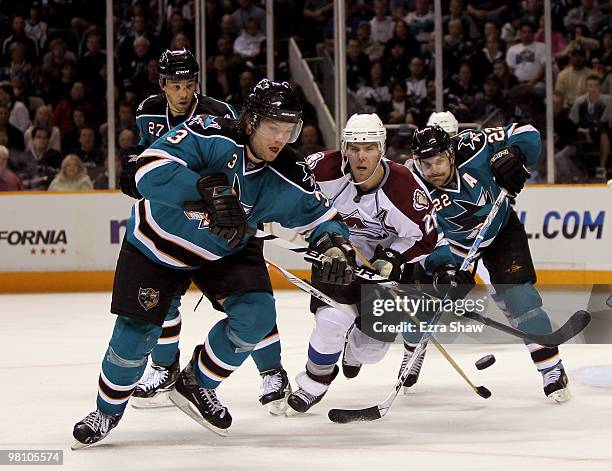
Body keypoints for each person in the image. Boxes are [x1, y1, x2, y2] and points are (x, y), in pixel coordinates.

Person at [72, 79, 354, 447]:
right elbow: (147, 170)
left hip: (225, 252)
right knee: (134, 334)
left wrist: (333, 244)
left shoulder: (288, 172)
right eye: (272, 127)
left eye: (289, 130)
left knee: (257, 315)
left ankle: (197, 383)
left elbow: (323, 219)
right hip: (155, 246)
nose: (279, 139)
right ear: (250, 120)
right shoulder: (210, 132)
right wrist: (205, 191)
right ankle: (105, 412)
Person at [123, 50, 291, 415]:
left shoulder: (219, 113)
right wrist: (134, 169)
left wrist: (236, 209)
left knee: (251, 292)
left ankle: (272, 369)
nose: (184, 93)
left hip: (226, 218)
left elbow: (245, 165)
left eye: (190, 84)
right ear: (163, 85)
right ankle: (165, 367)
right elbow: (149, 156)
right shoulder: (148, 111)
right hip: (175, 218)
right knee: (163, 298)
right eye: (176, 85)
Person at [285, 114, 460, 413]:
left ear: (381, 148)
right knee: (330, 322)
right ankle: (314, 382)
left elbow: (426, 238)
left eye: (368, 148)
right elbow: (285, 187)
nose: (360, 156)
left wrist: (394, 257)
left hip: (382, 268)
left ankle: (354, 348)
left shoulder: (405, 188)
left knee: (371, 350)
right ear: (344, 148)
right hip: (337, 255)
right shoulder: (321, 168)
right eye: (354, 148)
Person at [407, 124, 571, 403]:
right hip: (453, 247)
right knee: (425, 299)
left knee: (521, 299)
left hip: (500, 230)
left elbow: (528, 131)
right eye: (426, 164)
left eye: (438, 161)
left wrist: (514, 153)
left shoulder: (473, 145)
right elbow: (421, 235)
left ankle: (551, 368)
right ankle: (412, 355)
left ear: (450, 153)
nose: (432, 170)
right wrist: (443, 268)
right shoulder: (410, 184)